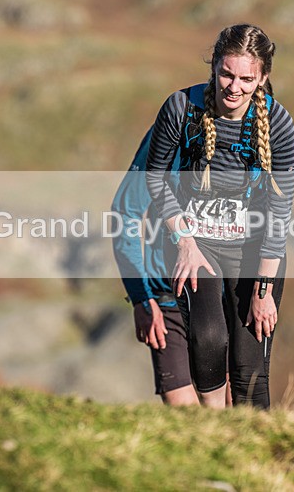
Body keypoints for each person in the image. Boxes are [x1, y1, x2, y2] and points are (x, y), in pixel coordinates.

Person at [145, 24, 294, 409]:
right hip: (197, 245)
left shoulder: (278, 123)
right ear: (213, 66)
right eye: (227, 74)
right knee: (208, 338)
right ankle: (216, 427)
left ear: (263, 77)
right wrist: (184, 242)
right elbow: (154, 177)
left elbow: (280, 210)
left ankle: (259, 443)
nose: (234, 87)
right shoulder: (181, 108)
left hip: (254, 251)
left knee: (250, 369)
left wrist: (263, 291)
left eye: (247, 79)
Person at [111, 127, 199, 406]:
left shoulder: (255, 127)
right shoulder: (169, 129)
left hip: (228, 298)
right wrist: (141, 297)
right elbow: (125, 213)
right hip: (169, 298)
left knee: (235, 413)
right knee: (186, 416)